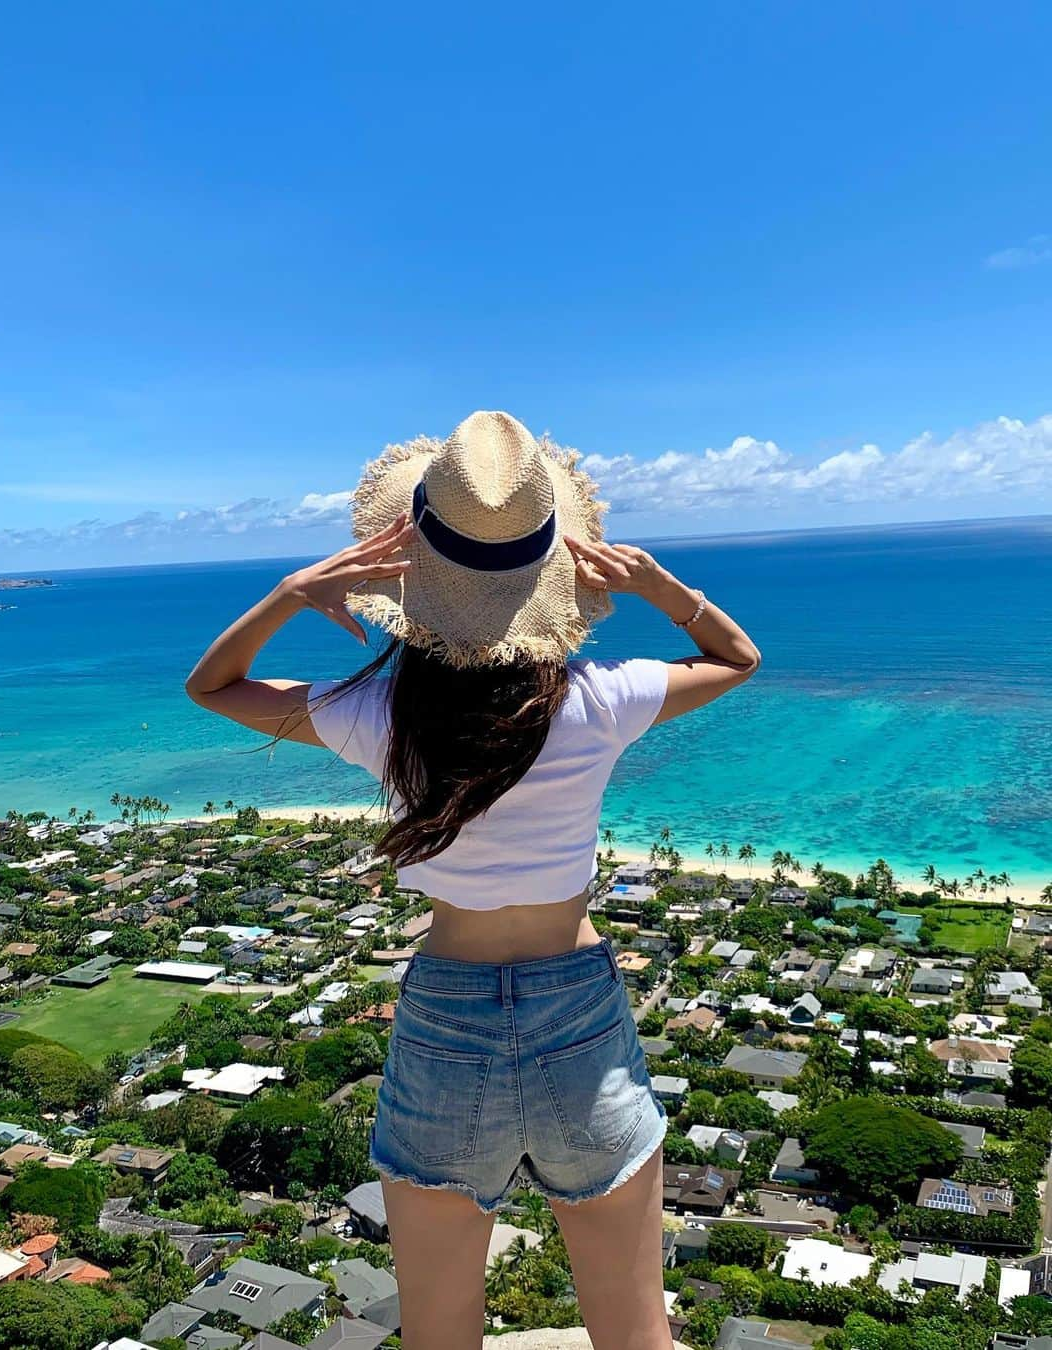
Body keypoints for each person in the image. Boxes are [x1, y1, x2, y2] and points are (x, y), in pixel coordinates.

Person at [185, 410, 761, 1350]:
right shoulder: (602, 701)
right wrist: (664, 588)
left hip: (446, 1011)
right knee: (633, 1329)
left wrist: (294, 592)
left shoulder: (377, 714)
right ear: (556, 571)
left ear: (410, 568)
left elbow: (213, 687)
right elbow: (737, 658)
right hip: (579, 1009)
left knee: (440, 1330)